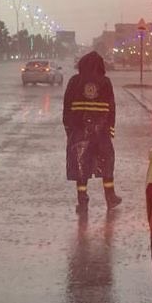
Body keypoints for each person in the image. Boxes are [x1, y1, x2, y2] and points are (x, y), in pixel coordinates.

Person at [63, 51, 122, 211]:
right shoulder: (105, 82)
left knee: (81, 164)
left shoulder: (74, 81)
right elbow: (112, 107)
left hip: (79, 129)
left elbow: (67, 107)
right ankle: (110, 196)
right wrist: (111, 129)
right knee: (106, 161)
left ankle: (82, 201)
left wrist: (69, 129)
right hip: (101, 130)